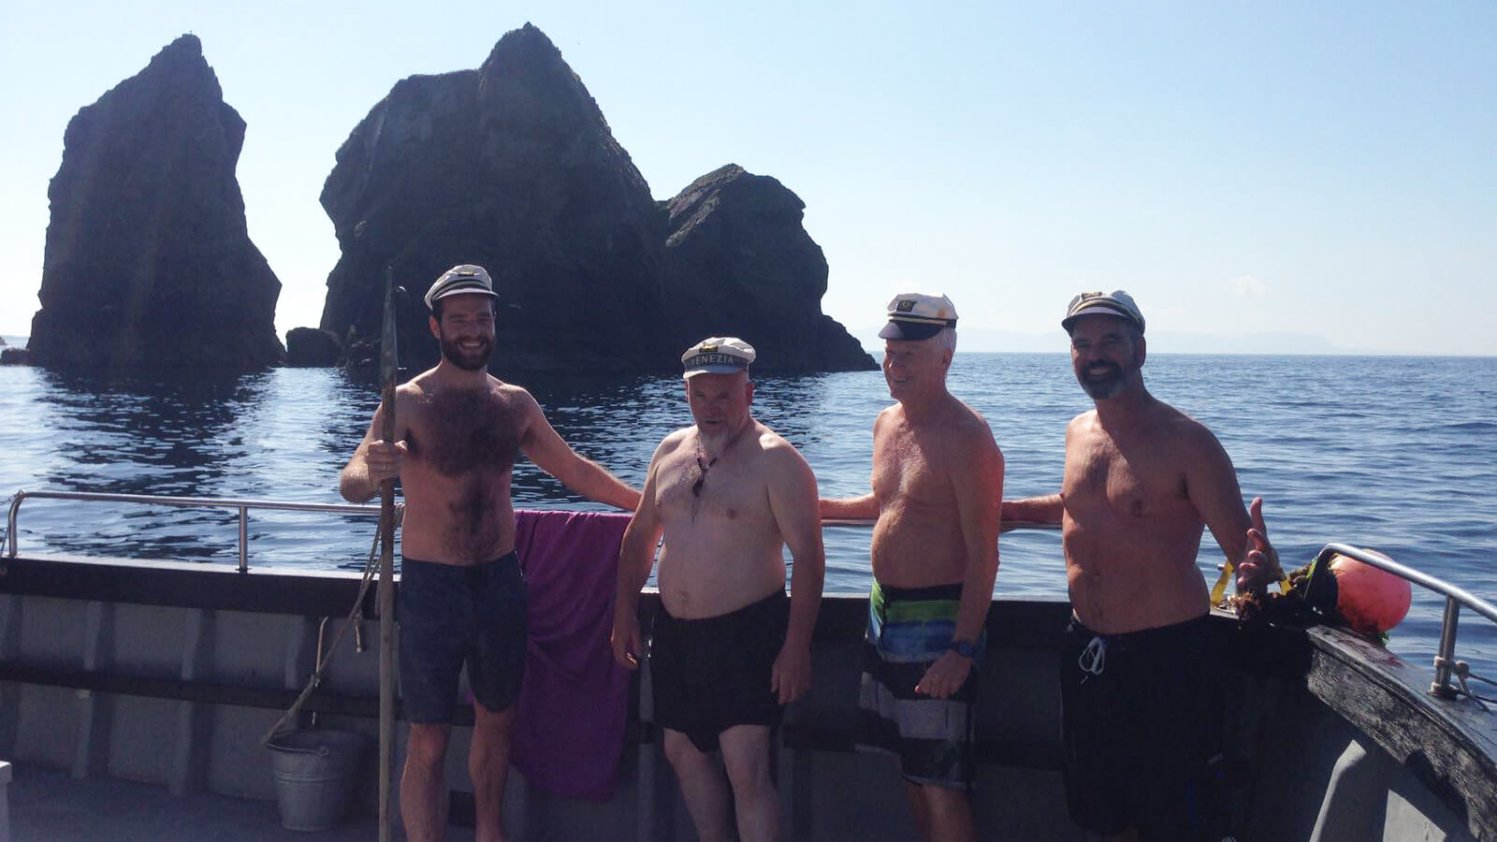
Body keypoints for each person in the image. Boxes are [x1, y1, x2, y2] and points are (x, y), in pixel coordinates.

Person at [339, 264, 640, 842]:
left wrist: (648, 508)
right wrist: (369, 470)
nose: (473, 329)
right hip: (431, 589)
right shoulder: (406, 401)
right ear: (435, 327)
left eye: (483, 317)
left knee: (497, 723)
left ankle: (488, 832)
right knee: (427, 738)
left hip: (501, 583)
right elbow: (352, 478)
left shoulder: (514, 404)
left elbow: (574, 469)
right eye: (460, 320)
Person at [1003, 290, 1282, 842]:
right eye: (1082, 344)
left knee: (1170, 822)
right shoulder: (1077, 433)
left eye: (1110, 340)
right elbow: (1083, 509)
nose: (1095, 354)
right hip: (1086, 652)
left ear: (1141, 350)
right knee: (1102, 816)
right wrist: (1005, 513)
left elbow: (1246, 555)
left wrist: (1261, 565)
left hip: (1168, 660)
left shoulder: (1189, 443)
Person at [611, 337, 825, 842]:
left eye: (725, 395)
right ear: (686, 395)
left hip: (747, 635)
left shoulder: (778, 461)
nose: (712, 408)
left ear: (749, 393)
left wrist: (796, 648)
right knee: (682, 753)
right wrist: (624, 614)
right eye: (700, 396)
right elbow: (641, 535)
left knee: (746, 767)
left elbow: (811, 559)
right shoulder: (669, 451)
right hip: (676, 638)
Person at [820, 294, 1004, 842]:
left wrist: (962, 649)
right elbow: (889, 505)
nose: (894, 366)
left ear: (945, 357)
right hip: (885, 619)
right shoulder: (884, 424)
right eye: (889, 353)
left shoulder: (968, 437)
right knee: (911, 772)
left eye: (908, 355)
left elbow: (984, 551)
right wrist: (809, 509)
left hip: (940, 625)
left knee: (943, 782)